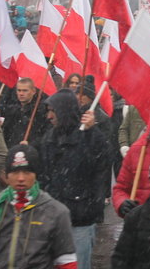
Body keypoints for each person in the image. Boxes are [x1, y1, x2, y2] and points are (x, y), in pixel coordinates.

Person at [0, 144, 77, 269]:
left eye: (26, 172)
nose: (21, 178)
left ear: (36, 174)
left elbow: (66, 261)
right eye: (15, 172)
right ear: (6, 175)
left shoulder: (57, 212)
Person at [41, 90, 112, 269]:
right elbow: (44, 174)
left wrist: (92, 132)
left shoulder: (88, 136)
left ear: (63, 111)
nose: (48, 116)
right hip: (53, 218)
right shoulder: (50, 138)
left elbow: (103, 162)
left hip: (80, 218)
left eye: (53, 111)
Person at [0, 78, 51, 147]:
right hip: (12, 149)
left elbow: (46, 134)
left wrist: (31, 145)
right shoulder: (13, 110)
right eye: (19, 90)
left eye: (25, 91)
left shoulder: (41, 111)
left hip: (30, 151)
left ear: (33, 91)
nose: (21, 93)